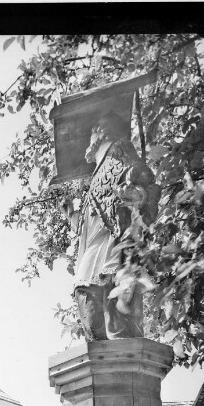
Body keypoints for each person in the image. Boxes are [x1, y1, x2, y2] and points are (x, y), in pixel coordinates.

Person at [62, 111, 161, 341]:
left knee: (112, 317)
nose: (89, 139)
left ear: (102, 132)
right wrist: (71, 216)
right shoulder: (97, 174)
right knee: (86, 299)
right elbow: (90, 221)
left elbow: (146, 187)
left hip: (113, 249)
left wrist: (137, 195)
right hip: (94, 249)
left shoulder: (119, 149)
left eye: (92, 132)